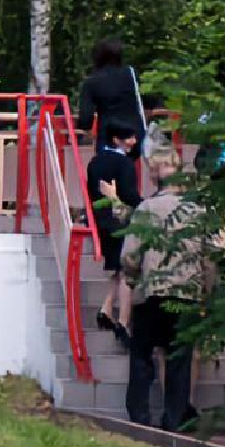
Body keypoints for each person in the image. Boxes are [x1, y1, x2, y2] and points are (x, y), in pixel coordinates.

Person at [121, 147, 212, 431]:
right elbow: (210, 258)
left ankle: (139, 417)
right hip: (186, 296)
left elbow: (130, 255)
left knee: (142, 356)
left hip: (152, 293)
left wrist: (133, 277)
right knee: (179, 362)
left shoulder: (147, 208)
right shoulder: (198, 210)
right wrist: (205, 294)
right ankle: (173, 420)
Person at [88, 123, 142, 343]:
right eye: (129, 137)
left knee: (116, 270)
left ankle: (106, 310)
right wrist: (149, 206)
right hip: (121, 221)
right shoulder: (125, 163)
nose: (134, 142)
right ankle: (123, 321)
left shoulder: (95, 162)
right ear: (116, 139)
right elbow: (129, 195)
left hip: (101, 218)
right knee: (127, 273)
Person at [76, 38, 145, 158]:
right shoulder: (131, 74)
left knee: (109, 172)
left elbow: (86, 118)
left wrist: (82, 131)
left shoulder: (92, 82)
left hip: (109, 137)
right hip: (135, 135)